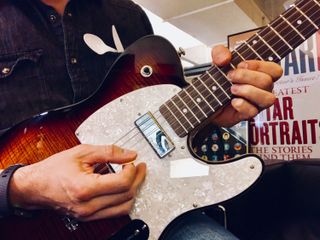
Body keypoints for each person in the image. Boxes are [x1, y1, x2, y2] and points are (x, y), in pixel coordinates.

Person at [0, 0, 283, 239]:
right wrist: (23, 187)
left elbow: (159, 138)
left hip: (156, 212)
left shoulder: (127, 15)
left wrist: (209, 119)